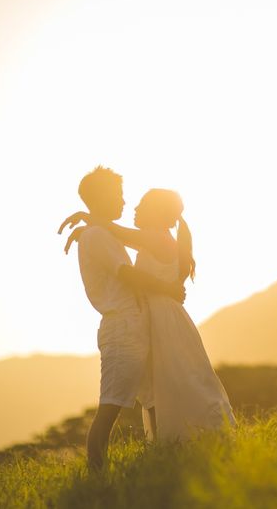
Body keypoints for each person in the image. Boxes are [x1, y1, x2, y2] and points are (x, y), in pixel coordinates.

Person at [62, 188, 236, 442]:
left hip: (163, 317)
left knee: (178, 377)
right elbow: (115, 236)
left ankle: (192, 436)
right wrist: (89, 231)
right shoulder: (156, 238)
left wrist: (86, 217)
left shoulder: (155, 238)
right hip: (161, 315)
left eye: (141, 205)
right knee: (169, 381)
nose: (134, 208)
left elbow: (117, 233)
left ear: (156, 211)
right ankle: (173, 442)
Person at [58, 166, 185, 470]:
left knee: (153, 400)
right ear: (101, 197)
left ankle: (162, 458)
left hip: (135, 325)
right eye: (118, 195)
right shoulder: (97, 236)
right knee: (111, 405)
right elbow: (127, 274)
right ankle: (97, 474)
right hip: (121, 329)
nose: (124, 202)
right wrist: (167, 288)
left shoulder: (101, 233)